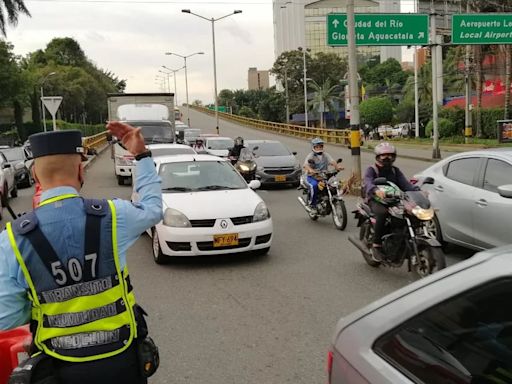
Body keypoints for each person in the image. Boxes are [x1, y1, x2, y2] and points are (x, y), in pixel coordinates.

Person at [0, 123, 163, 384]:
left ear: (35, 177)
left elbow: (5, 316)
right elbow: (153, 209)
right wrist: (142, 156)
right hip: (122, 363)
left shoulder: (11, 239)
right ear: (80, 170)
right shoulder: (113, 214)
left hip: (58, 367)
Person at [363, 142, 419, 262]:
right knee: (382, 213)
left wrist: (418, 191)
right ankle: (376, 245)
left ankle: (401, 241)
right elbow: (367, 182)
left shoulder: (395, 171)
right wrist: (375, 190)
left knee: (410, 214)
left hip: (394, 199)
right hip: (375, 199)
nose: (387, 158)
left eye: (390, 155)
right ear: (378, 156)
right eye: (384, 155)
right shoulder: (371, 169)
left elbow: (405, 184)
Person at [303, 138, 343, 213]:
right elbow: (305, 165)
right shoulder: (311, 156)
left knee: (334, 184)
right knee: (314, 186)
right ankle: (312, 205)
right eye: (317, 147)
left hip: (323, 176)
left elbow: (332, 161)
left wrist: (337, 167)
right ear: (313, 147)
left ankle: (329, 199)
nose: (319, 148)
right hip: (312, 176)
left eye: (321, 146)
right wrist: (310, 169)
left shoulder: (325, 155)